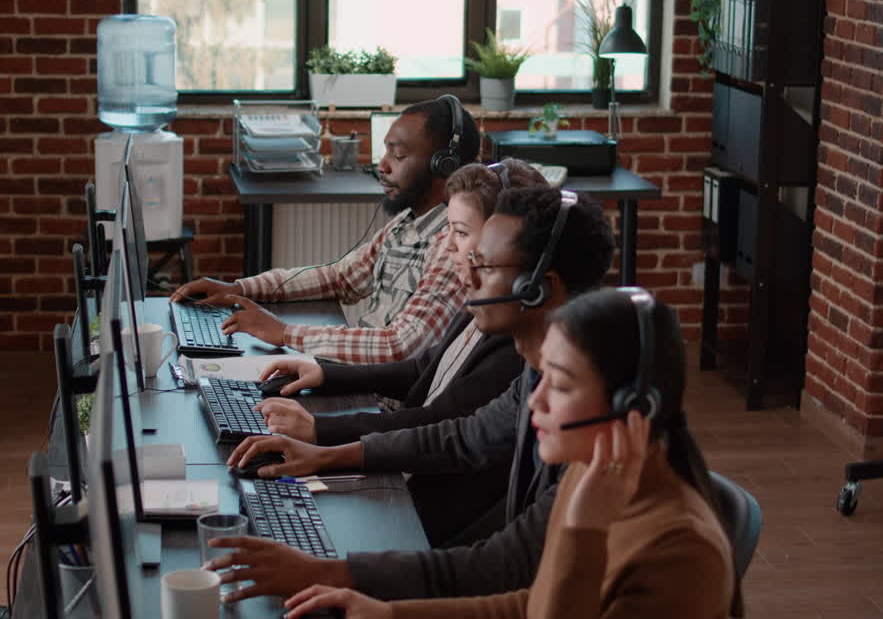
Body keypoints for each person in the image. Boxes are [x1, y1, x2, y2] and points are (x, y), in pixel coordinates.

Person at [204, 186, 617, 602]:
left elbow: (507, 565)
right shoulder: (540, 372)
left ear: (538, 288)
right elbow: (461, 436)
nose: (467, 277)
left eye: (485, 267)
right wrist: (322, 455)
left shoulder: (590, 415)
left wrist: (330, 573)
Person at [283, 289, 739, 619]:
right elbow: (530, 604)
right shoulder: (592, 474)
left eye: (559, 385)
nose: (535, 403)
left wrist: (583, 529)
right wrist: (391, 613)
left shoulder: (683, 555)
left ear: (633, 409)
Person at [255, 159, 547, 545]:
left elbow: (441, 426)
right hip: (411, 476)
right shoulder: (483, 305)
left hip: (430, 506)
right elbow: (425, 369)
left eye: (460, 233)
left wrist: (322, 432)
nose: (447, 248)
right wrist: (324, 372)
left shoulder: (516, 345)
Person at [170, 96, 481, 364]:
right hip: (359, 375)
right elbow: (339, 277)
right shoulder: (405, 225)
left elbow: (400, 347)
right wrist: (240, 289)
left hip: (384, 402)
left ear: (444, 165)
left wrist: (285, 333)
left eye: (398, 155)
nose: (382, 166)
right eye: (384, 153)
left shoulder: (451, 245)